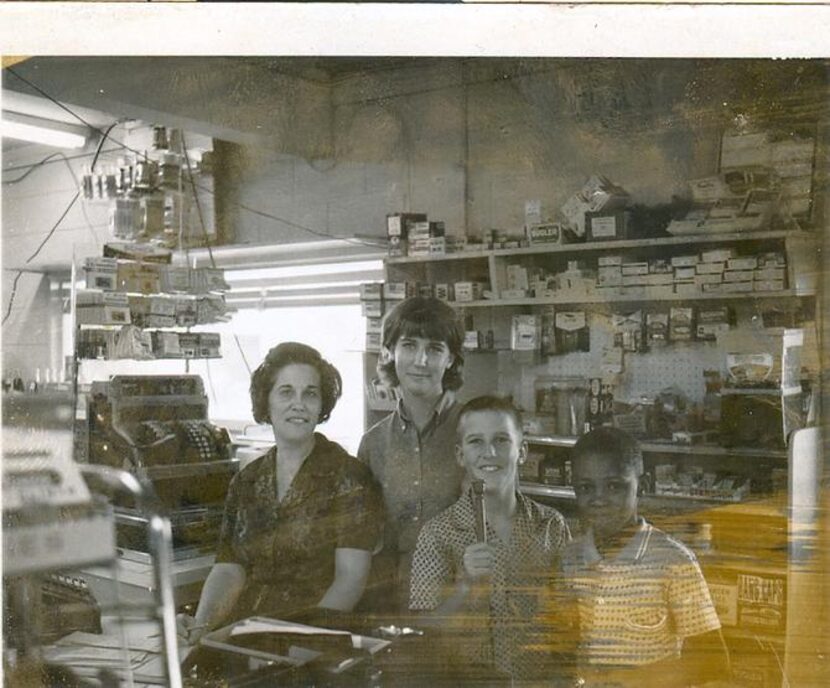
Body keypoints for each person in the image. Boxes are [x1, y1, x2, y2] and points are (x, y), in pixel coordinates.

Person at [177, 342, 383, 644]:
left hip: (313, 640)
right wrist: (201, 626)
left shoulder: (350, 477)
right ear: (267, 402)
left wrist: (297, 641)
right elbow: (229, 569)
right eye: (286, 392)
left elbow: (349, 581)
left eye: (310, 393)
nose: (298, 404)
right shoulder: (246, 480)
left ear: (321, 405)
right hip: (244, 633)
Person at [548, 427, 730, 688]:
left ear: (641, 487)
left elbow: (713, 662)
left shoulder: (673, 561)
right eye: (586, 487)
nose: (598, 499)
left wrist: (635, 678)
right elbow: (565, 645)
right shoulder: (570, 559)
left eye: (614, 486)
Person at [409, 395, 570, 683]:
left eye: (501, 440)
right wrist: (465, 587)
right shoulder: (437, 534)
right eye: (475, 442)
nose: (489, 452)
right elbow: (427, 632)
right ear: (460, 455)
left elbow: (569, 619)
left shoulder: (551, 526)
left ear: (522, 451)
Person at [358, 296, 467, 615]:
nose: (420, 360)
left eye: (434, 349)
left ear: (450, 360)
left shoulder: (475, 432)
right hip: (394, 603)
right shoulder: (373, 443)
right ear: (390, 353)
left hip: (461, 605)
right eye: (409, 345)